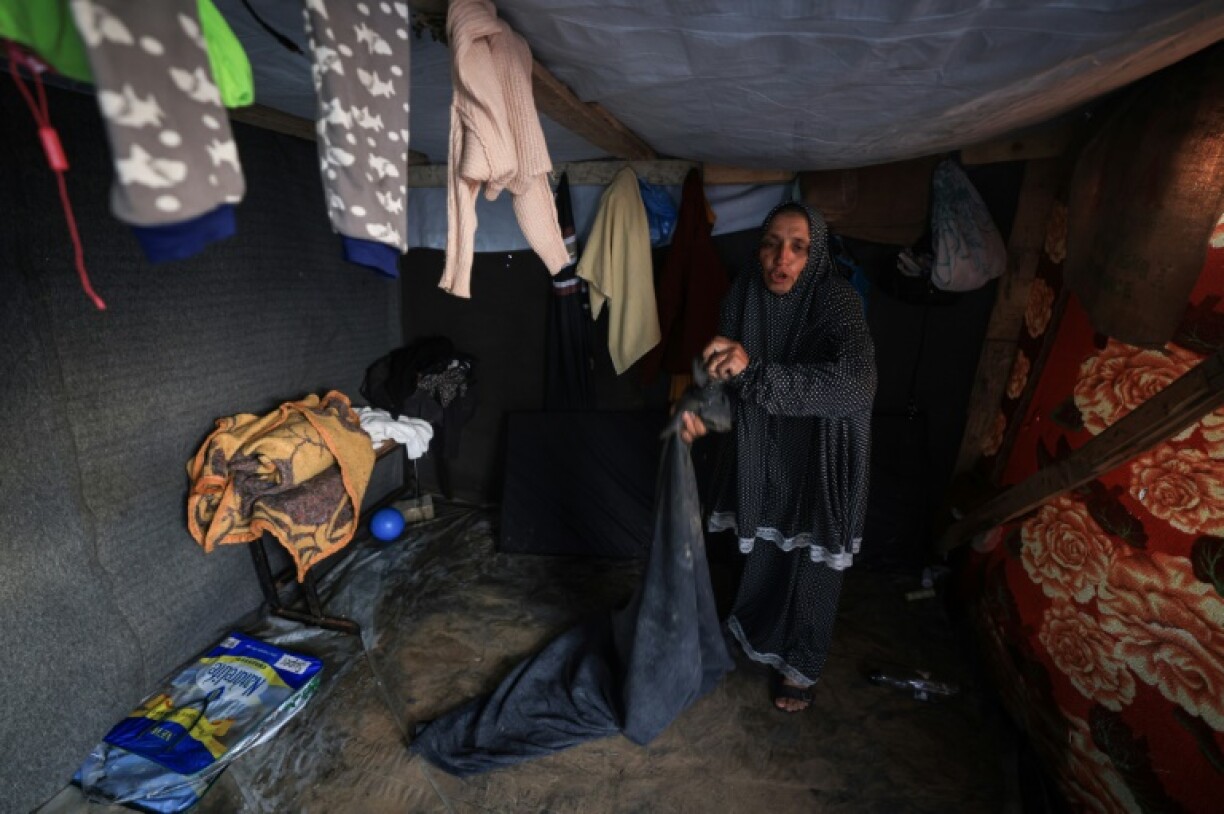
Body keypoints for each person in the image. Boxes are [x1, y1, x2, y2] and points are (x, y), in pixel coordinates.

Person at [679, 201, 876, 712]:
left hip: (817, 459)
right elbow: (720, 366)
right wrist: (702, 405)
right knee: (760, 557)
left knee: (811, 571)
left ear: (814, 256)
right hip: (761, 448)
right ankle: (752, 635)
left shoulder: (835, 300)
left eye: (797, 246)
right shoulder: (741, 295)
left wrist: (756, 376)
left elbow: (856, 385)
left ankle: (800, 670)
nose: (780, 258)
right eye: (771, 243)